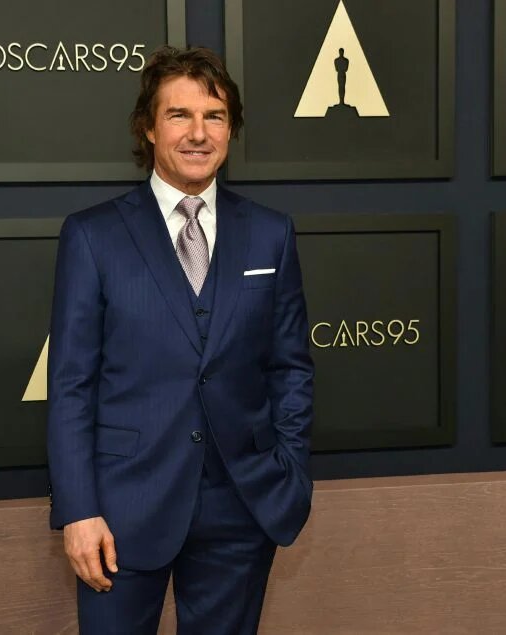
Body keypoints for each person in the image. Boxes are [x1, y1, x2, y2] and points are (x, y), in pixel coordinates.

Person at [47, 46, 314, 634]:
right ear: (148, 126)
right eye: (179, 115)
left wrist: (287, 469)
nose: (198, 133)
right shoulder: (93, 236)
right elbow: (69, 384)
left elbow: (290, 365)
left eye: (214, 116)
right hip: (121, 509)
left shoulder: (270, 233)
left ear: (231, 129)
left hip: (242, 503)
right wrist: (79, 509)